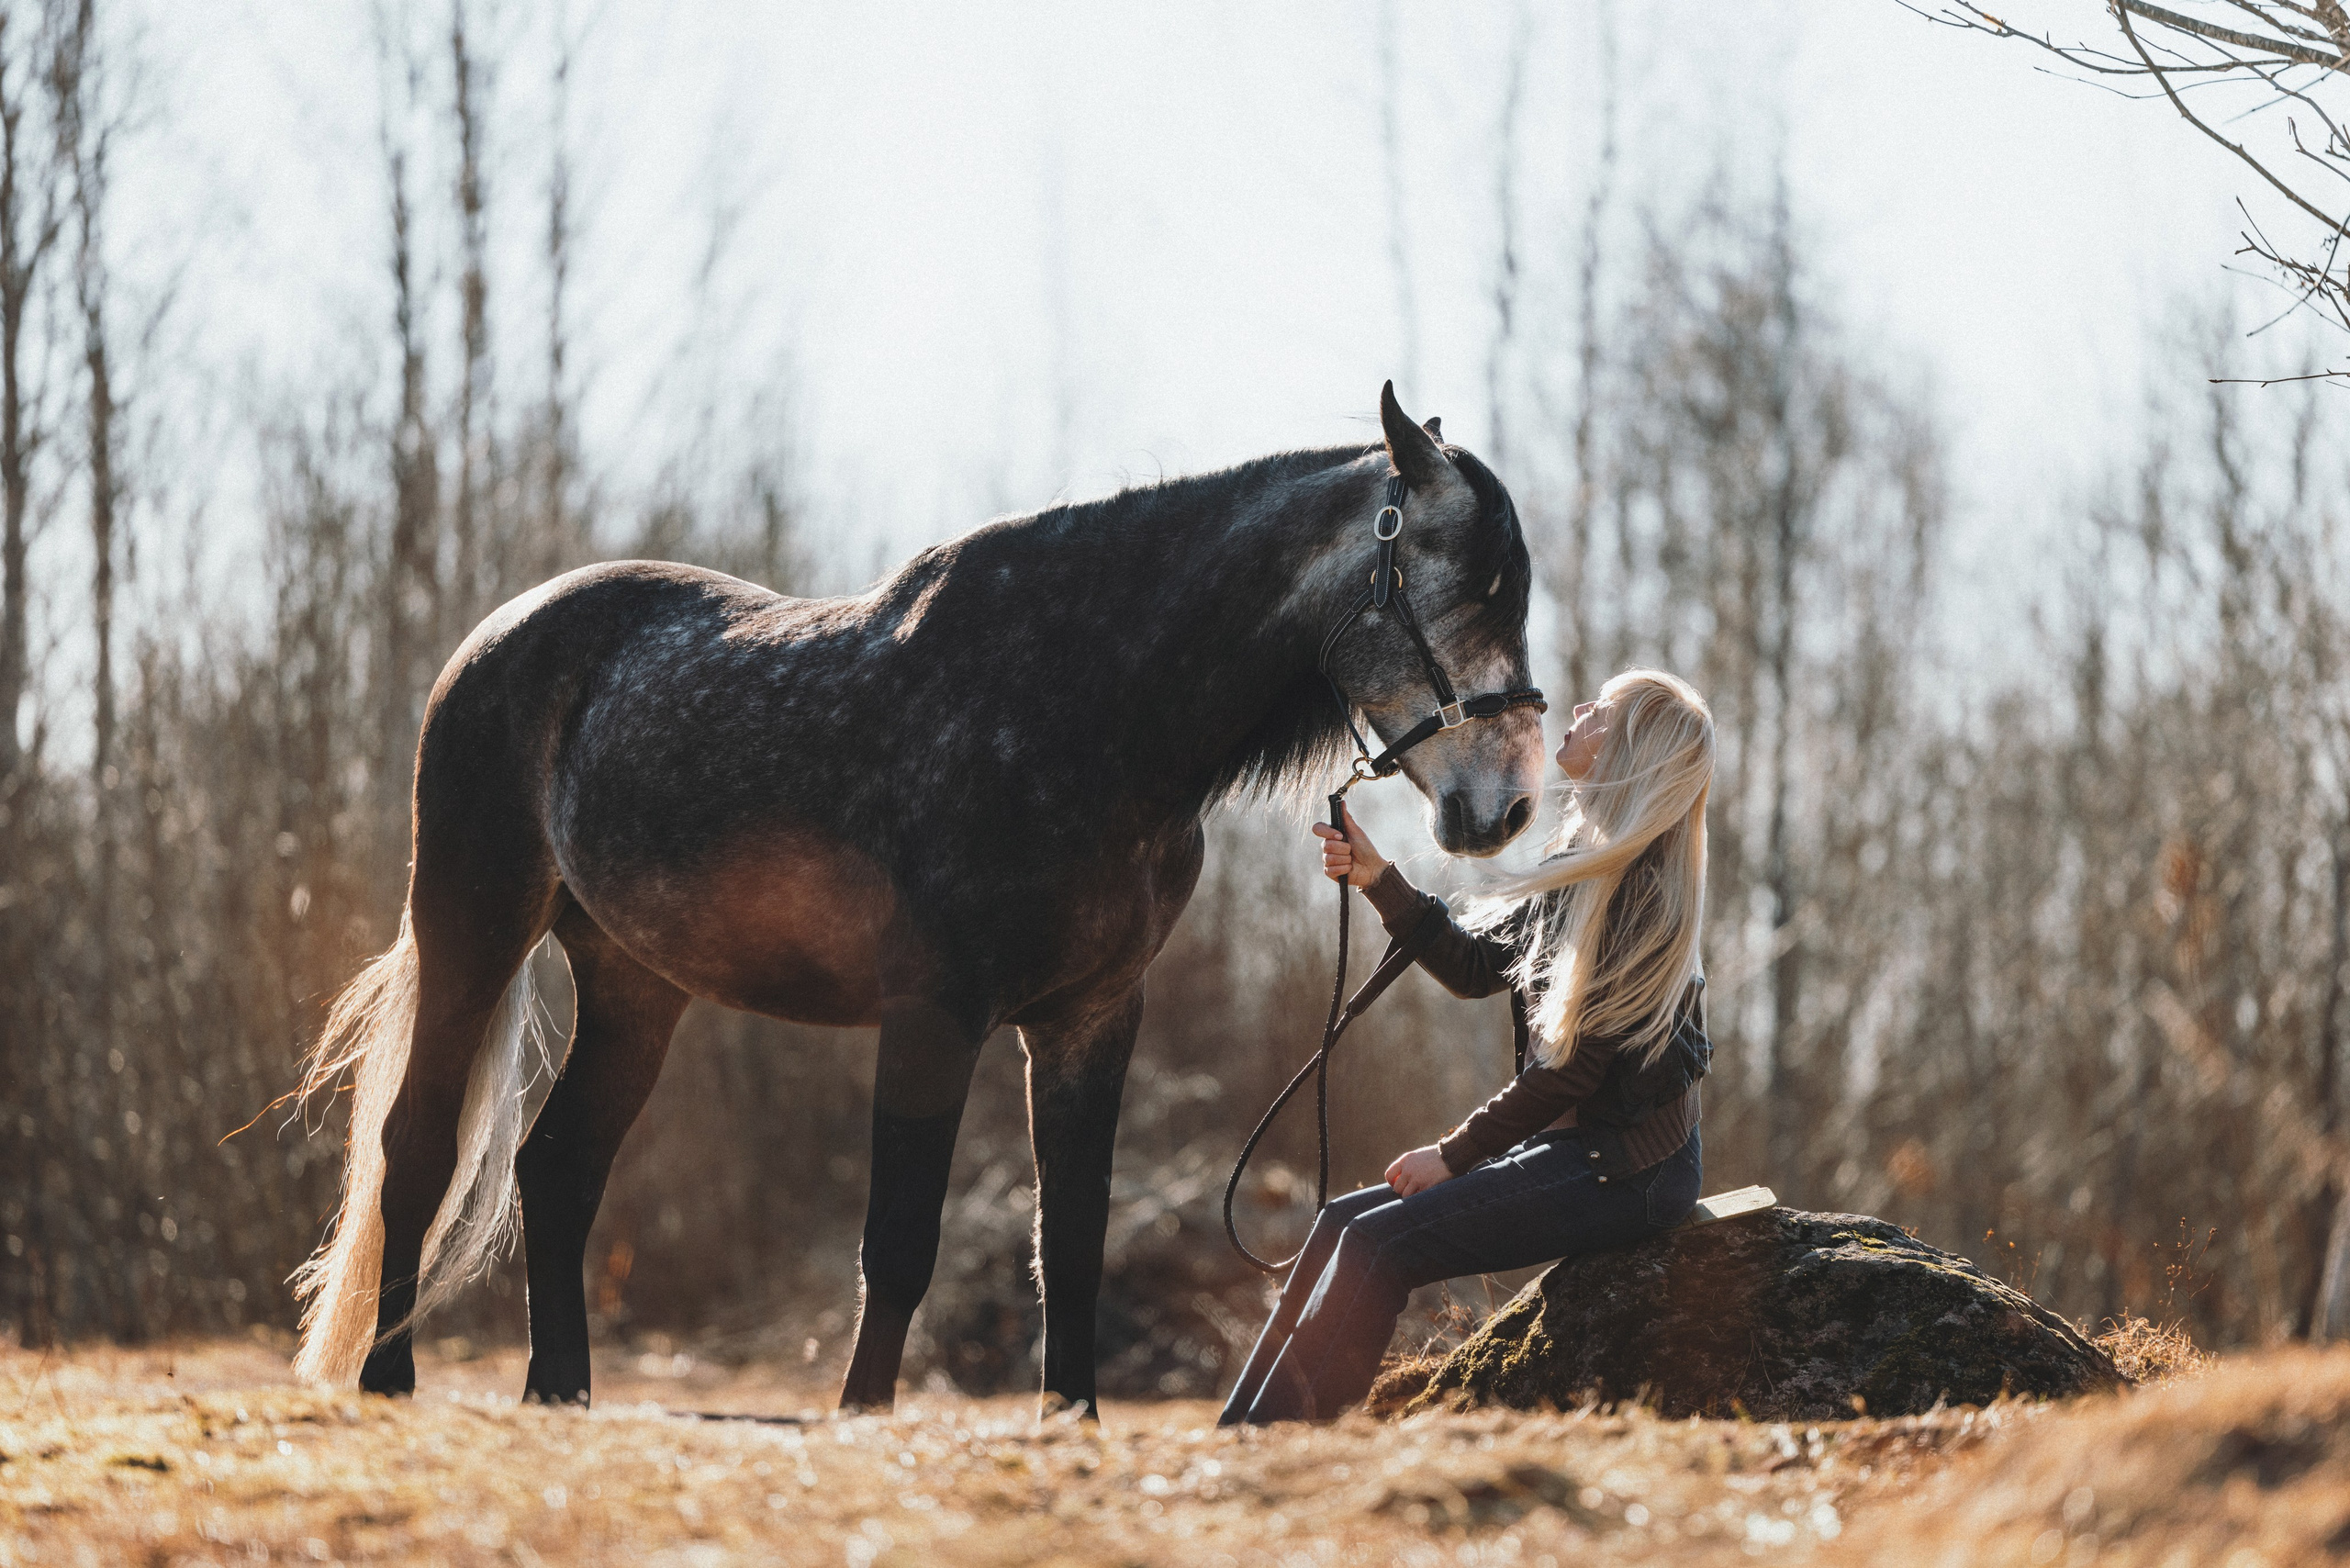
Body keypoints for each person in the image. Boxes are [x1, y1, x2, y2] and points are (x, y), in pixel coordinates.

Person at [1218, 668, 1716, 1425]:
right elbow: (1479, 967)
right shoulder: (1582, 862)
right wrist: (1378, 877)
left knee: (1383, 1248)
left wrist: (1452, 1155)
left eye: (1604, 711)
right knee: (1341, 1224)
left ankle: (1281, 1445)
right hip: (1576, 1149)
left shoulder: (1638, 892)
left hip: (1627, 1172)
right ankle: (1239, 1438)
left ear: (1635, 749)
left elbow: (1570, 1074)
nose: (1579, 709)